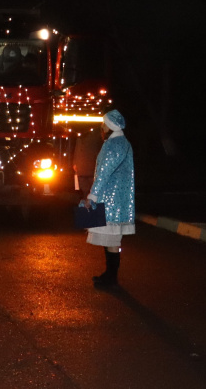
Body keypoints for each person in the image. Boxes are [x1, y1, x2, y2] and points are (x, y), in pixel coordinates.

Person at [83, 109, 135, 288]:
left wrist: (93, 194)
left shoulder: (115, 144)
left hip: (111, 199)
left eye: (104, 123)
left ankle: (111, 279)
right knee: (110, 240)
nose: (102, 126)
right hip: (114, 198)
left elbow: (104, 172)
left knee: (112, 241)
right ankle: (109, 275)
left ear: (111, 125)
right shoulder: (119, 142)